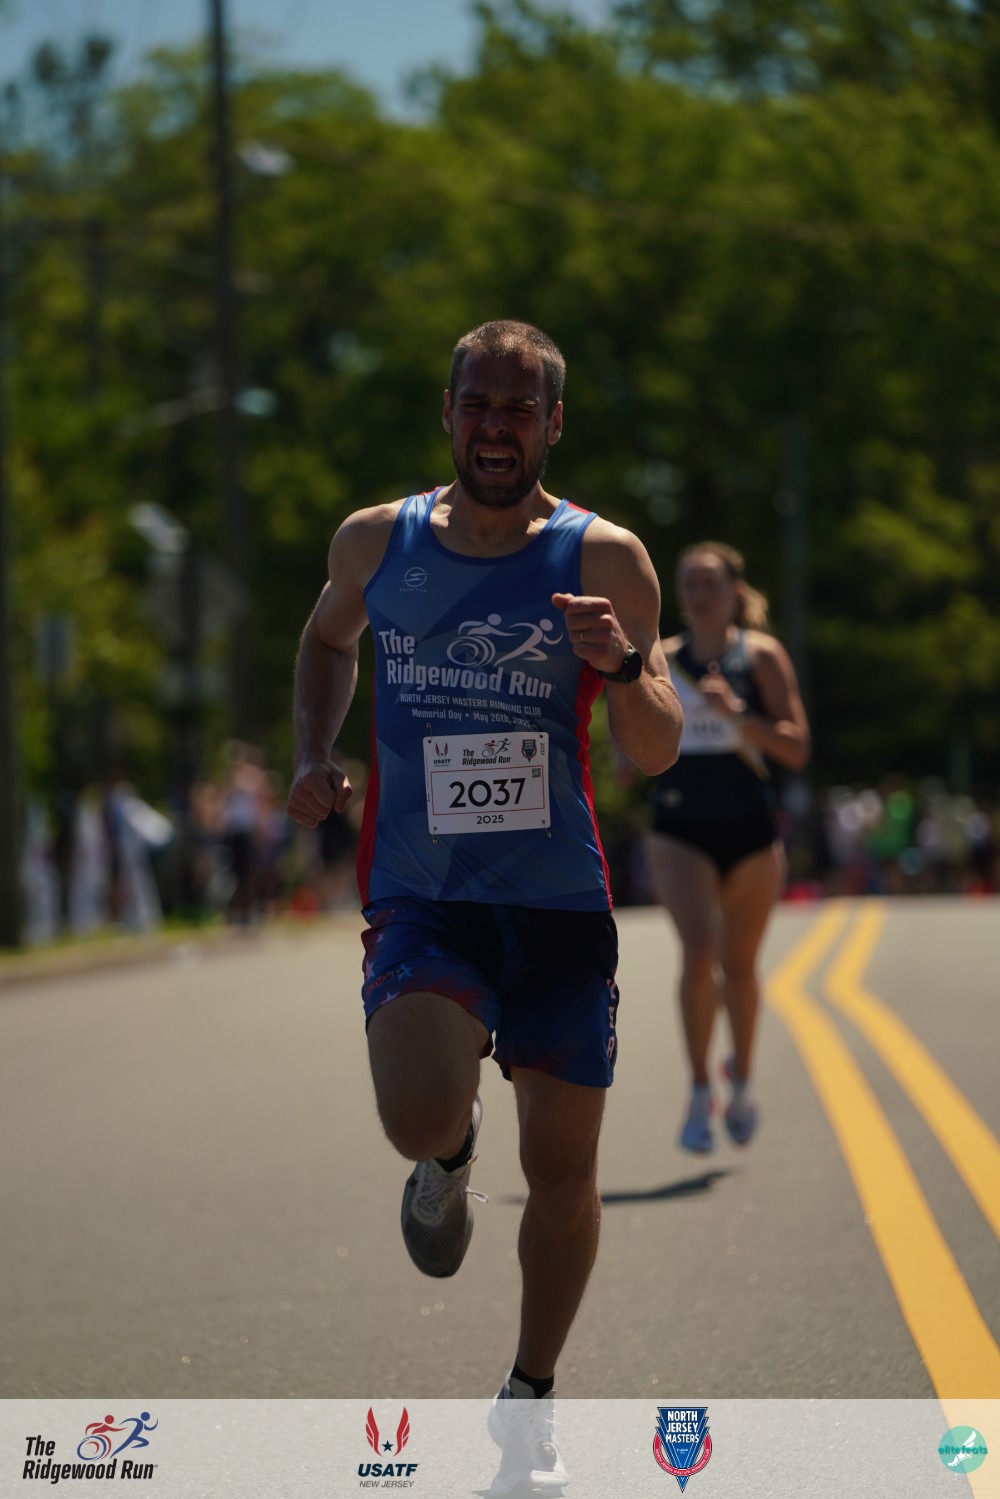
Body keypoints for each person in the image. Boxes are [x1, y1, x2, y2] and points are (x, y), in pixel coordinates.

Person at [286, 320, 682, 1491]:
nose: (495, 427)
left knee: (561, 1168)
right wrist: (312, 749)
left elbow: (656, 745)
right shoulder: (377, 539)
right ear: (448, 413)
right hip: (426, 891)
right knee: (416, 1110)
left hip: (558, 902)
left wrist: (622, 666)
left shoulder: (605, 556)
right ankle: (448, 1153)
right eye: (477, 404)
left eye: (519, 408)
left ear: (552, 423)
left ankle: (529, 1395)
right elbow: (326, 640)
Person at [644, 541, 810, 1154]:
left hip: (750, 832)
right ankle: (697, 1092)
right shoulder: (663, 657)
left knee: (739, 969)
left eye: (710, 582)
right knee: (698, 956)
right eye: (689, 582)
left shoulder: (760, 655)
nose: (699, 593)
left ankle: (741, 1079)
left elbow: (796, 748)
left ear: (735, 592)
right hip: (679, 828)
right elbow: (635, 741)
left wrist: (737, 714)